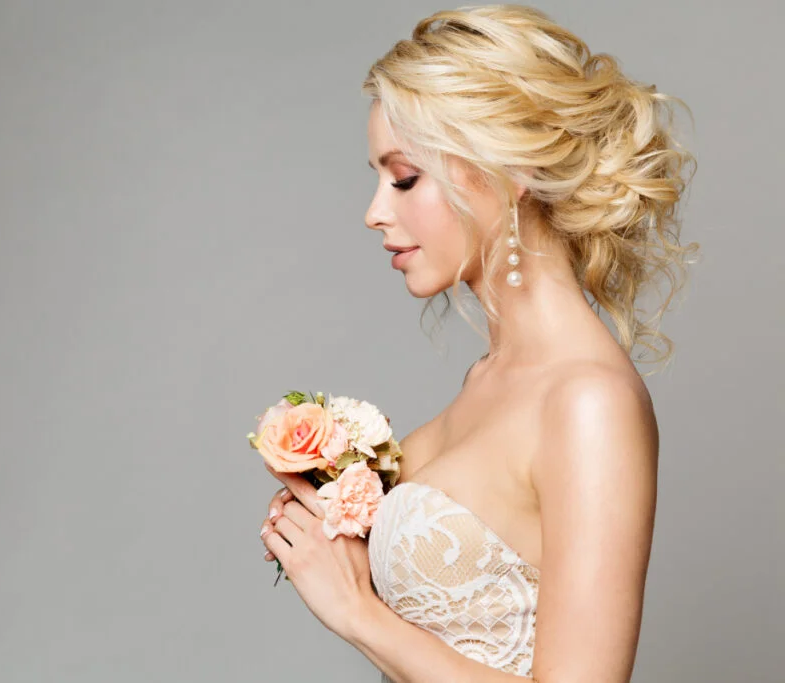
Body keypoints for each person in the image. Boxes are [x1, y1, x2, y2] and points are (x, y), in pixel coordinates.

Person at [258, 5, 699, 682]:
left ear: (509, 171)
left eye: (404, 178)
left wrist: (356, 609)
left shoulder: (589, 401)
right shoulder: (489, 377)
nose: (375, 211)